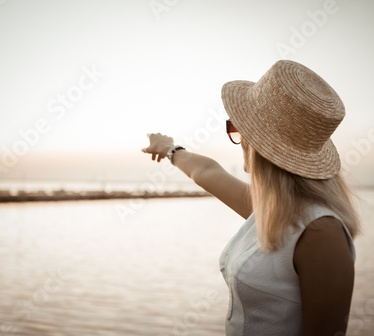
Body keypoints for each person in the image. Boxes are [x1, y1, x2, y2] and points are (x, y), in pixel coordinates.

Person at [142, 60, 360, 335]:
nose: (239, 137)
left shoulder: (320, 232)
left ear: (256, 142)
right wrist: (169, 148)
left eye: (238, 127)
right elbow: (207, 171)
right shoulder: (278, 210)